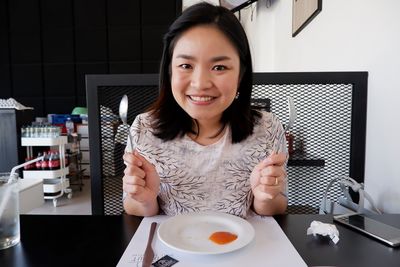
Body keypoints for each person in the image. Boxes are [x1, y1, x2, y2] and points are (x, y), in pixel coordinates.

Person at [122, 2, 288, 218]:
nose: (200, 83)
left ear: (241, 74)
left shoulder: (268, 129)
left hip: (243, 246)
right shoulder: (144, 128)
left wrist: (266, 197)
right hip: (171, 246)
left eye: (219, 67)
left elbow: (275, 207)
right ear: (170, 71)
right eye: (186, 66)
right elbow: (134, 207)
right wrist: (145, 200)